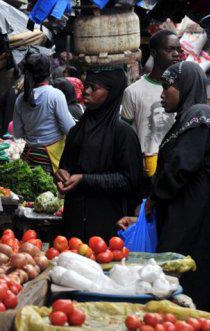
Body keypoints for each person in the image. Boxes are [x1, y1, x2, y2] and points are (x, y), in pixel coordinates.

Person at [145, 62, 210, 313]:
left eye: (167, 87)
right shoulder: (186, 119)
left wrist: (154, 196)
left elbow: (181, 166)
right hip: (184, 217)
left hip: (195, 222)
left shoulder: (200, 115)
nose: (162, 94)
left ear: (184, 86)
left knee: (190, 285)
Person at [56, 67, 143, 242]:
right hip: (74, 221)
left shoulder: (123, 133)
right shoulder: (76, 130)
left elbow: (129, 180)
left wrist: (84, 180)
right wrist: (61, 175)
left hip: (108, 223)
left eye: (94, 88)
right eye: (86, 85)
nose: (86, 91)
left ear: (111, 94)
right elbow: (65, 166)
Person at [121, 30, 181, 177]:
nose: (176, 54)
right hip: (144, 171)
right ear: (154, 53)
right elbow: (126, 135)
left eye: (178, 50)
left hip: (176, 168)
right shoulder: (133, 91)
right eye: (170, 49)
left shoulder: (183, 88)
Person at [13, 52, 75, 174]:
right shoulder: (55, 95)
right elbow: (70, 130)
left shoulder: (20, 99)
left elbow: (18, 133)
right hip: (50, 158)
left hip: (29, 155)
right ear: (49, 72)